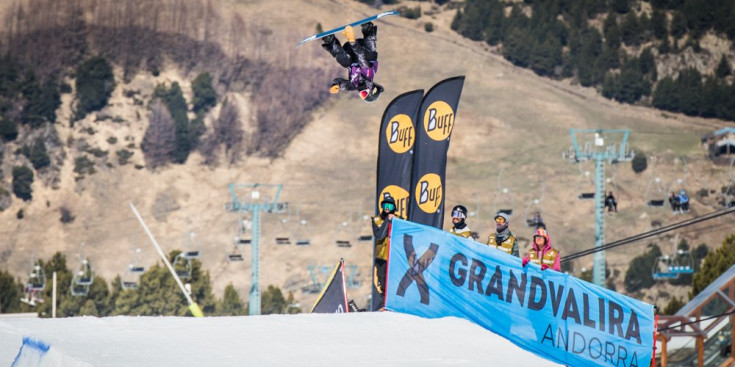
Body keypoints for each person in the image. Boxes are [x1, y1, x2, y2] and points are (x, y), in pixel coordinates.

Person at [321, 22, 384, 103]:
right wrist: (352, 40)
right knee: (370, 56)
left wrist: (335, 85)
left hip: (349, 51)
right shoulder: (368, 73)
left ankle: (331, 41)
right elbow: (360, 55)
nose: (361, 93)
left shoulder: (353, 86)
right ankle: (368, 30)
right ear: (371, 89)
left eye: (362, 96)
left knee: (345, 63)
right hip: (362, 47)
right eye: (364, 94)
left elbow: (341, 83)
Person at [371, 194, 395, 309]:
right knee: (382, 282)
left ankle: (392, 305)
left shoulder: (398, 219)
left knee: (393, 283)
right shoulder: (376, 220)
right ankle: (383, 305)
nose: (387, 208)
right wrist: (387, 221)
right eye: (385, 205)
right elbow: (379, 235)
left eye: (390, 206)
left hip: (394, 257)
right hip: (381, 257)